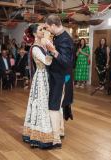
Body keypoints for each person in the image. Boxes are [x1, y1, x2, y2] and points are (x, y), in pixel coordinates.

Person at [22, 24, 56, 149]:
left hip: (45, 76)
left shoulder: (42, 45)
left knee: (45, 104)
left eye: (43, 29)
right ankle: (39, 135)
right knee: (41, 104)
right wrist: (52, 49)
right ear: (35, 34)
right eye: (41, 30)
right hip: (41, 77)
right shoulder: (35, 48)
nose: (43, 31)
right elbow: (47, 61)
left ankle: (44, 131)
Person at [44, 14, 74, 147]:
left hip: (61, 78)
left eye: (49, 27)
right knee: (57, 106)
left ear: (54, 25)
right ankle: (60, 131)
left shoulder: (66, 39)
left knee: (53, 107)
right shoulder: (57, 36)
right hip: (56, 76)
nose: (48, 30)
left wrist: (53, 51)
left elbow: (67, 62)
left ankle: (56, 139)